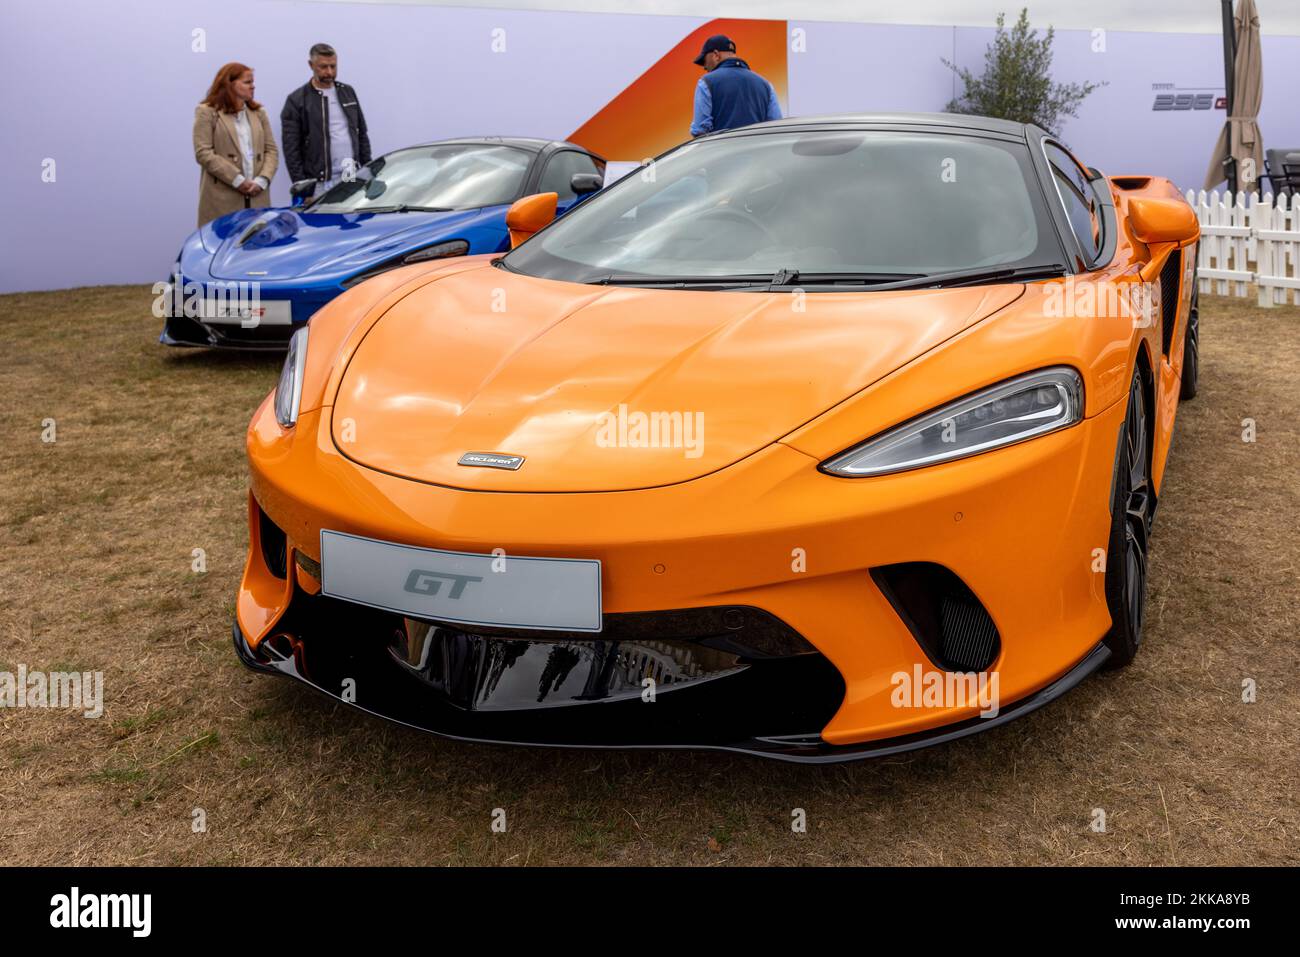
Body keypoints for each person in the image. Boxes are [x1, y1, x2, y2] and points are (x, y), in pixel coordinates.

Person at [280, 43, 372, 198]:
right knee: (322, 222)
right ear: (311, 65)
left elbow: (361, 133)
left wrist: (368, 169)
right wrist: (303, 186)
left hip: (350, 174)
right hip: (319, 182)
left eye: (333, 66)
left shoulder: (347, 92)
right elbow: (291, 149)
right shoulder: (297, 100)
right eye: (323, 67)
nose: (329, 72)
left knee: (350, 221)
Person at [193, 63, 279, 226]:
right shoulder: (206, 111)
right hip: (221, 201)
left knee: (257, 249)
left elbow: (271, 151)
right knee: (221, 247)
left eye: (253, 82)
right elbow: (203, 152)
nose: (253, 86)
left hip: (258, 199)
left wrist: (262, 180)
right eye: (247, 82)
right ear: (229, 84)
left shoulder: (259, 112)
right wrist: (237, 180)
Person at [689, 35, 782, 138]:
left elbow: (700, 131)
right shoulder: (766, 85)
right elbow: (776, 128)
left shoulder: (706, 82)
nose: (705, 67)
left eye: (704, 61)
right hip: (757, 152)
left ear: (716, 55)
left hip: (722, 152)